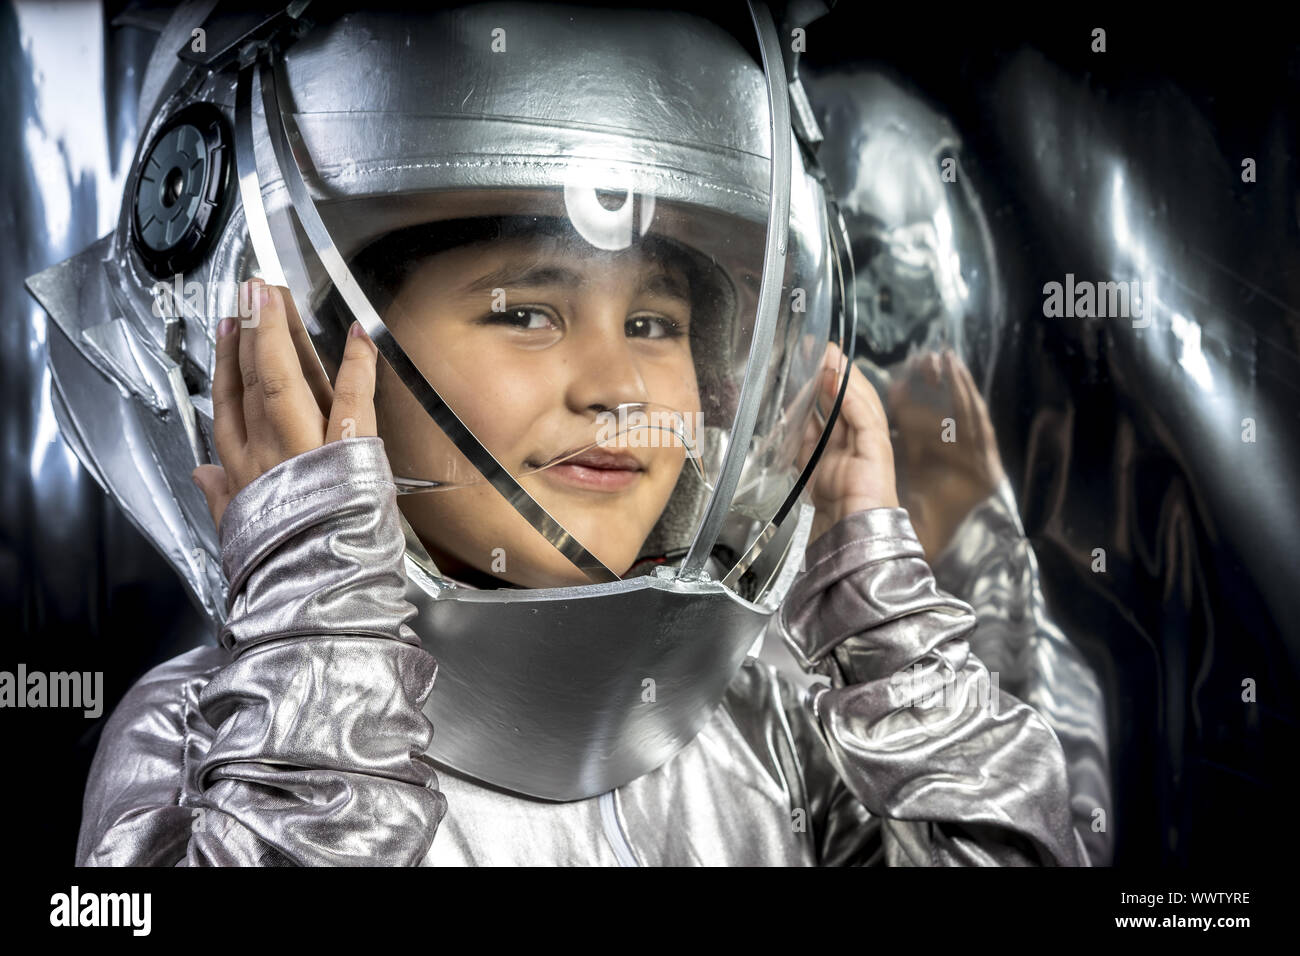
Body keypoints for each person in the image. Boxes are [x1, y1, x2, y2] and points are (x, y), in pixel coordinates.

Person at [43, 2, 1088, 865]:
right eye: (525, 311)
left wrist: (884, 627)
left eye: (654, 324)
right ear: (311, 363)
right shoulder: (211, 735)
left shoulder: (770, 711)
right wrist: (312, 662)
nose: (620, 388)